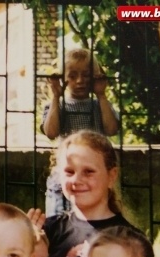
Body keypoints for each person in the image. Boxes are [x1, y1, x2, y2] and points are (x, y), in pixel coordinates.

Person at [43, 131, 139, 257]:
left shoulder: (130, 238)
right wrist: (28, 243)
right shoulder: (50, 231)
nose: (76, 180)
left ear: (111, 176)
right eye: (69, 171)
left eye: (88, 172)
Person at [41, 48, 119, 217]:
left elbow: (112, 129)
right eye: (72, 75)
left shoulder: (99, 106)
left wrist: (102, 95)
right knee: (59, 225)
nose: (80, 81)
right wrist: (56, 96)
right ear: (63, 78)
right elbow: (51, 132)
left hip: (92, 174)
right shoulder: (58, 106)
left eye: (86, 75)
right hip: (65, 174)